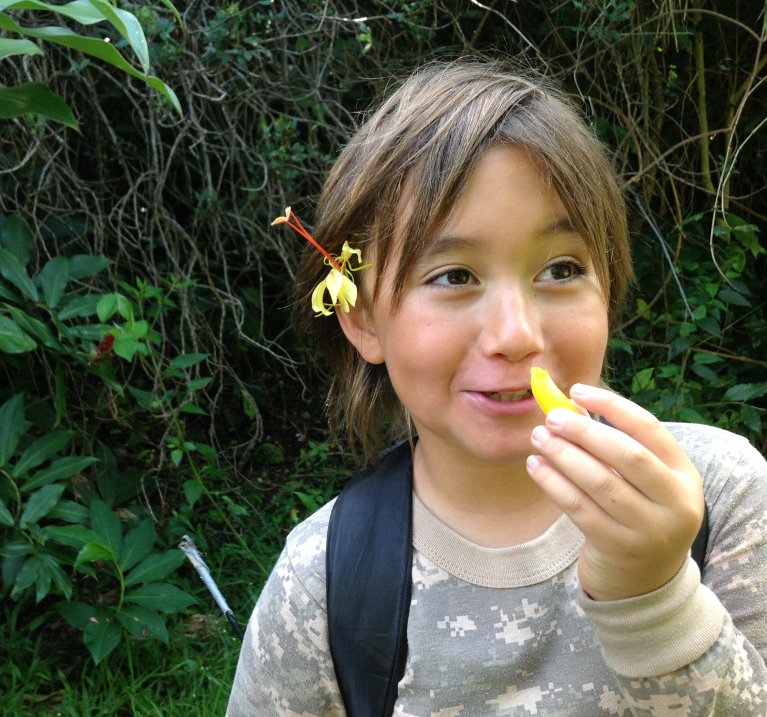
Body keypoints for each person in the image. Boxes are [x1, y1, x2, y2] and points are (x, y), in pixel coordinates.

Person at [227, 58, 767, 715]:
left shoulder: (725, 495)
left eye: (561, 267)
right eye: (454, 275)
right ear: (364, 320)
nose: (515, 334)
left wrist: (654, 597)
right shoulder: (322, 584)